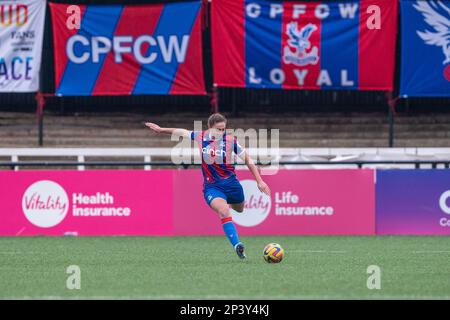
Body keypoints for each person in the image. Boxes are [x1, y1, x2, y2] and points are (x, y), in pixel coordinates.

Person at [145, 113, 270, 259]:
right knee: (224, 211)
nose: (221, 132)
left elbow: (248, 160)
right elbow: (181, 132)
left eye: (223, 129)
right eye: (218, 129)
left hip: (232, 185)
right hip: (213, 187)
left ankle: (232, 212)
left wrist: (259, 180)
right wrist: (161, 130)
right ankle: (237, 245)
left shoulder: (231, 141)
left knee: (240, 209)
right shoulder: (201, 136)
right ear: (210, 128)